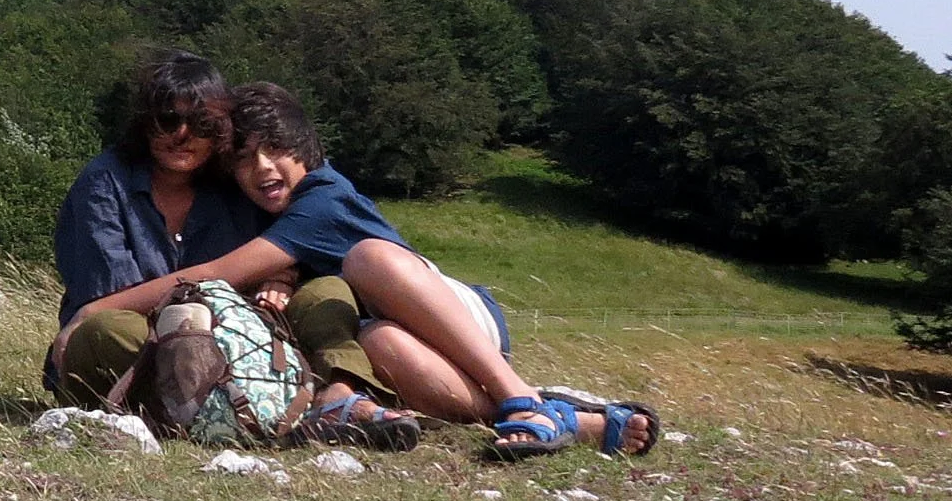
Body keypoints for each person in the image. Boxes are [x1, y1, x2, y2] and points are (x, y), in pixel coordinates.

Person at [174, 83, 660, 458]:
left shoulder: (322, 196)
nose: (261, 167)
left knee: (369, 257)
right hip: (399, 338)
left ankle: (517, 394)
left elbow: (220, 271)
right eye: (243, 158)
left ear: (303, 146)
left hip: (456, 321)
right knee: (376, 342)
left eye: (273, 148)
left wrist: (98, 308)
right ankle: (568, 420)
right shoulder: (267, 215)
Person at [48, 52, 420, 449]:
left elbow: (278, 247)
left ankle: (341, 397)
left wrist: (283, 277)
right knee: (110, 329)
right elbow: (109, 303)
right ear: (144, 124)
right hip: (139, 341)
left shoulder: (234, 183)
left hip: (232, 342)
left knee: (325, 291)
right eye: (168, 120)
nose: (183, 135)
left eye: (202, 123)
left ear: (221, 130)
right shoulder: (105, 183)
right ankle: (257, 413)